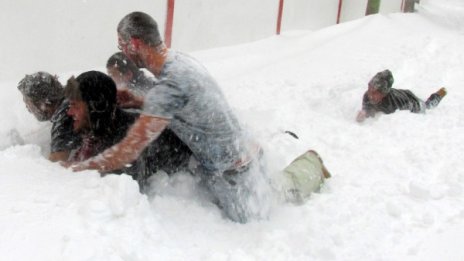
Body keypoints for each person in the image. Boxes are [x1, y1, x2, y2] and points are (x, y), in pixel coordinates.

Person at [69, 12, 271, 223]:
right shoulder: (179, 61)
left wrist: (81, 167)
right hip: (247, 152)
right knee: (276, 195)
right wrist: (140, 101)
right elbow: (182, 103)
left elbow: (127, 151)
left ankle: (307, 166)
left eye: (122, 47)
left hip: (237, 178)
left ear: (134, 44)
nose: (123, 53)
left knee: (262, 224)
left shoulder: (168, 86)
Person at [64, 70, 191, 189]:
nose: (69, 112)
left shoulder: (127, 137)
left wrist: (83, 169)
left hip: (184, 182)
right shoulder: (101, 126)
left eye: (75, 105)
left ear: (95, 107)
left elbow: (128, 191)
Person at [17, 72, 81, 162]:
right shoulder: (74, 95)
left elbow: (54, 167)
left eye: (27, 102)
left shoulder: (66, 116)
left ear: (42, 102)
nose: (28, 109)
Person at [356, 69, 447, 123]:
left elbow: (418, 112)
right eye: (369, 89)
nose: (370, 95)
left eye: (375, 92)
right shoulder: (367, 96)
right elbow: (368, 110)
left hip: (409, 99)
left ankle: (439, 94)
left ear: (383, 94)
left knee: (427, 105)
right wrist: (364, 114)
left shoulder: (394, 105)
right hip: (399, 93)